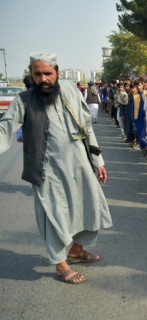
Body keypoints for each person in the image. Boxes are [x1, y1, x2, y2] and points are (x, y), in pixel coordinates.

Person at [0, 52, 112, 284]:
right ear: (31, 74)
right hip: (46, 169)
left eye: (48, 74)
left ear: (57, 73)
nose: (43, 79)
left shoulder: (70, 90)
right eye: (37, 74)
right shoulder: (24, 100)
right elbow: (6, 127)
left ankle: (76, 250)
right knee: (53, 215)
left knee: (89, 207)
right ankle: (61, 264)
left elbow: (86, 127)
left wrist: (98, 160)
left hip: (80, 163)